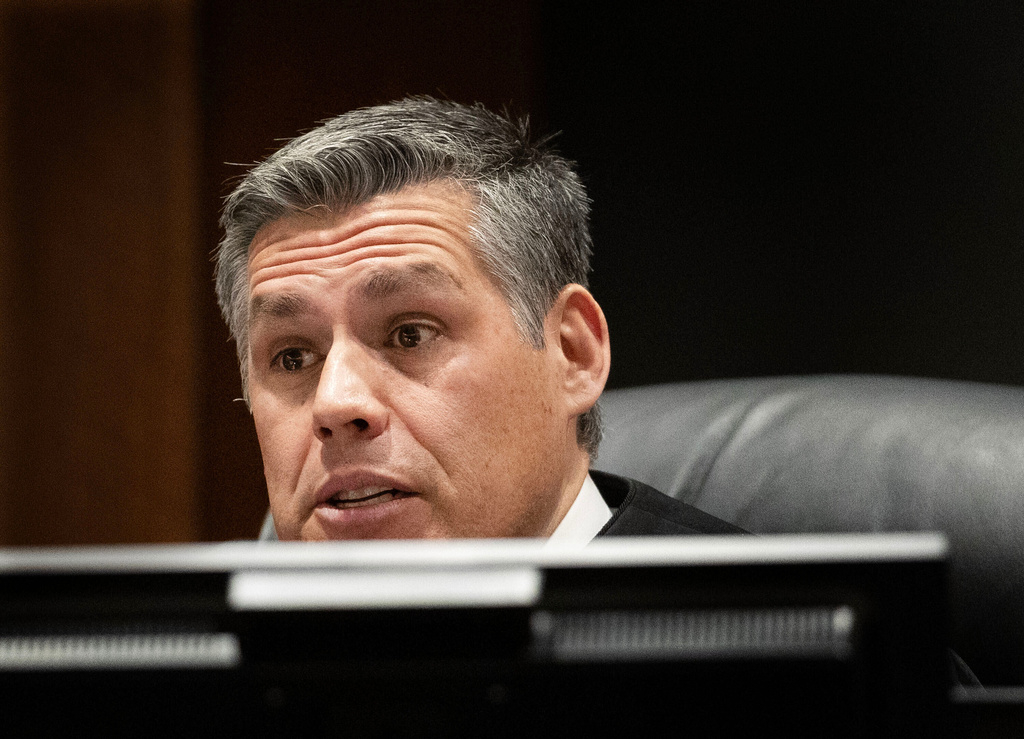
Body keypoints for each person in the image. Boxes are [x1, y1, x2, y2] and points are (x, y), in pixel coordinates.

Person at [214, 96, 742, 543]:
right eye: (293, 357)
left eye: (410, 335)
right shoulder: (210, 649)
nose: (335, 403)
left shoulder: (775, 634)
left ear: (572, 353)